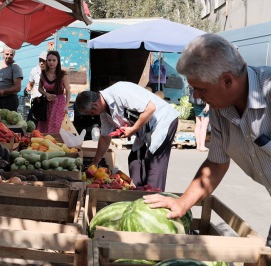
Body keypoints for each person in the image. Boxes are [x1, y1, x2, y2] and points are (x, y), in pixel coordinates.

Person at [142, 33, 271, 247]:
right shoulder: (221, 110)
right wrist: (182, 203)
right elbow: (216, 163)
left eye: (201, 89)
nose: (197, 97)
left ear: (227, 80)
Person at [74, 82, 179, 191]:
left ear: (95, 105)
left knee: (153, 162)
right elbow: (105, 137)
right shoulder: (104, 113)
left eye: (91, 113)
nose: (92, 116)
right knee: (134, 161)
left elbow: (151, 108)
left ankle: (154, 197)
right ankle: (138, 193)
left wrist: (133, 129)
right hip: (144, 129)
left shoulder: (120, 91)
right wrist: (95, 162)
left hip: (162, 121)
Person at [36, 50, 71, 133]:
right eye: (49, 60)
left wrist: (66, 106)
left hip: (59, 103)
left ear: (58, 61)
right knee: (44, 126)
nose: (51, 62)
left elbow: (68, 91)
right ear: (46, 61)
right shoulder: (43, 74)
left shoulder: (63, 75)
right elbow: (40, 88)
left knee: (56, 126)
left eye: (54, 60)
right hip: (46, 104)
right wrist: (46, 94)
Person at [0, 45, 23, 113]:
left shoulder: (15, 67)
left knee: (7, 121)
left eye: (11, 55)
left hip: (9, 99)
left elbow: (18, 87)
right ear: (3, 53)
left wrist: (4, 91)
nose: (9, 56)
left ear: (14, 55)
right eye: (7, 54)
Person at [24, 51, 47, 123]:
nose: (41, 63)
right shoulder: (34, 71)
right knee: (31, 123)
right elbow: (30, 84)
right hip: (36, 103)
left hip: (47, 104)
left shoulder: (51, 72)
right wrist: (27, 89)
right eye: (40, 61)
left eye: (44, 61)